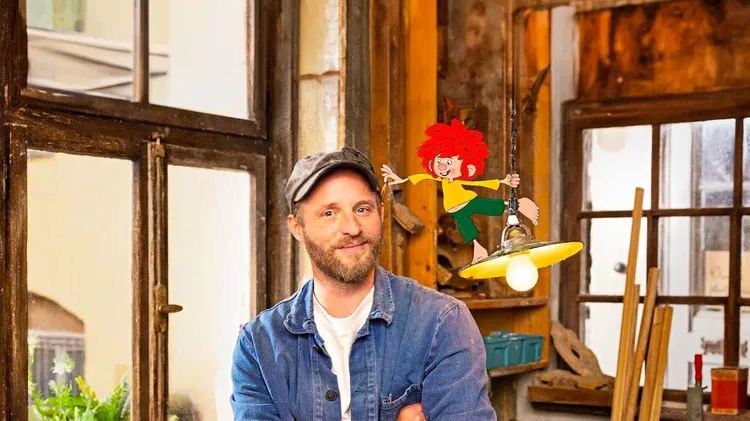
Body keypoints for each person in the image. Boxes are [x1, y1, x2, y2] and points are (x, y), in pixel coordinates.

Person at [230, 147, 496, 421]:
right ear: (297, 227)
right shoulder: (259, 346)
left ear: (380, 213)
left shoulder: (442, 323)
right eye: (329, 213)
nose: (352, 228)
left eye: (362, 209)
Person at [381, 118, 539, 264]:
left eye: (449, 161)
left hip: (467, 201)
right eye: (439, 160)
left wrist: (503, 181)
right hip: (456, 210)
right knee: (468, 231)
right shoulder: (442, 179)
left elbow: (479, 183)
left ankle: (516, 205)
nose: (442, 165)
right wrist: (399, 180)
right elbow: (421, 177)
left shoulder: (457, 179)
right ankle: (480, 251)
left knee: (490, 207)